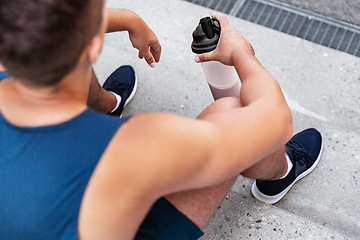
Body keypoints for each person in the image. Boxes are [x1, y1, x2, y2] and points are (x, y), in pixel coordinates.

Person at [0, 0, 323, 240]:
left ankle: (105, 105)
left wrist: (127, 19)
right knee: (234, 112)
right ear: (94, 43)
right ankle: (280, 172)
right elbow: (273, 119)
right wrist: (242, 55)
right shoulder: (136, 142)